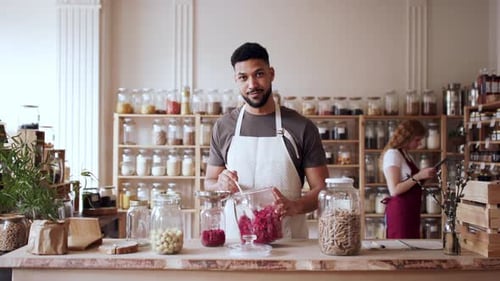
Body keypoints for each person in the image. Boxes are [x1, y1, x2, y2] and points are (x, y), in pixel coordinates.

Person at [204, 42, 329, 240]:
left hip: (288, 241)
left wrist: (295, 206)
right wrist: (220, 184)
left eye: (259, 74)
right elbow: (209, 182)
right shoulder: (224, 126)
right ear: (236, 80)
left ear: (271, 74)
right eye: (243, 77)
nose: (252, 84)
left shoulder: (301, 127)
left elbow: (322, 188)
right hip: (236, 242)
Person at [381, 119, 437, 239]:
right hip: (401, 212)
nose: (419, 144)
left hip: (410, 211)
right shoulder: (393, 154)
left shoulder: (405, 154)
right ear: (406, 138)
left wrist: (424, 177)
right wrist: (419, 176)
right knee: (401, 250)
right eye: (417, 140)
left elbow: (409, 182)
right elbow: (394, 189)